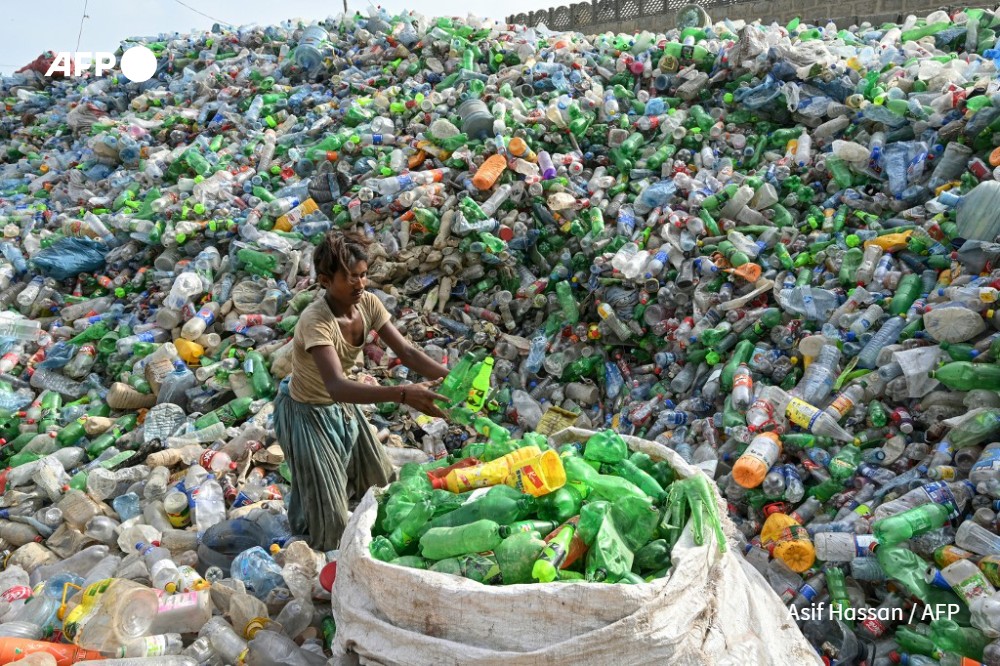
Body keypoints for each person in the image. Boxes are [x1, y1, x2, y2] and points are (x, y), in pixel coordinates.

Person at [274, 230, 450, 551]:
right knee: (333, 527)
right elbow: (337, 385)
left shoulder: (367, 303)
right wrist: (403, 393)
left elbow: (407, 353)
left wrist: (451, 382)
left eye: (364, 275)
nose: (361, 284)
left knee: (381, 484)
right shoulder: (316, 321)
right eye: (351, 278)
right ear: (326, 281)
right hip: (307, 412)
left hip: (341, 406)